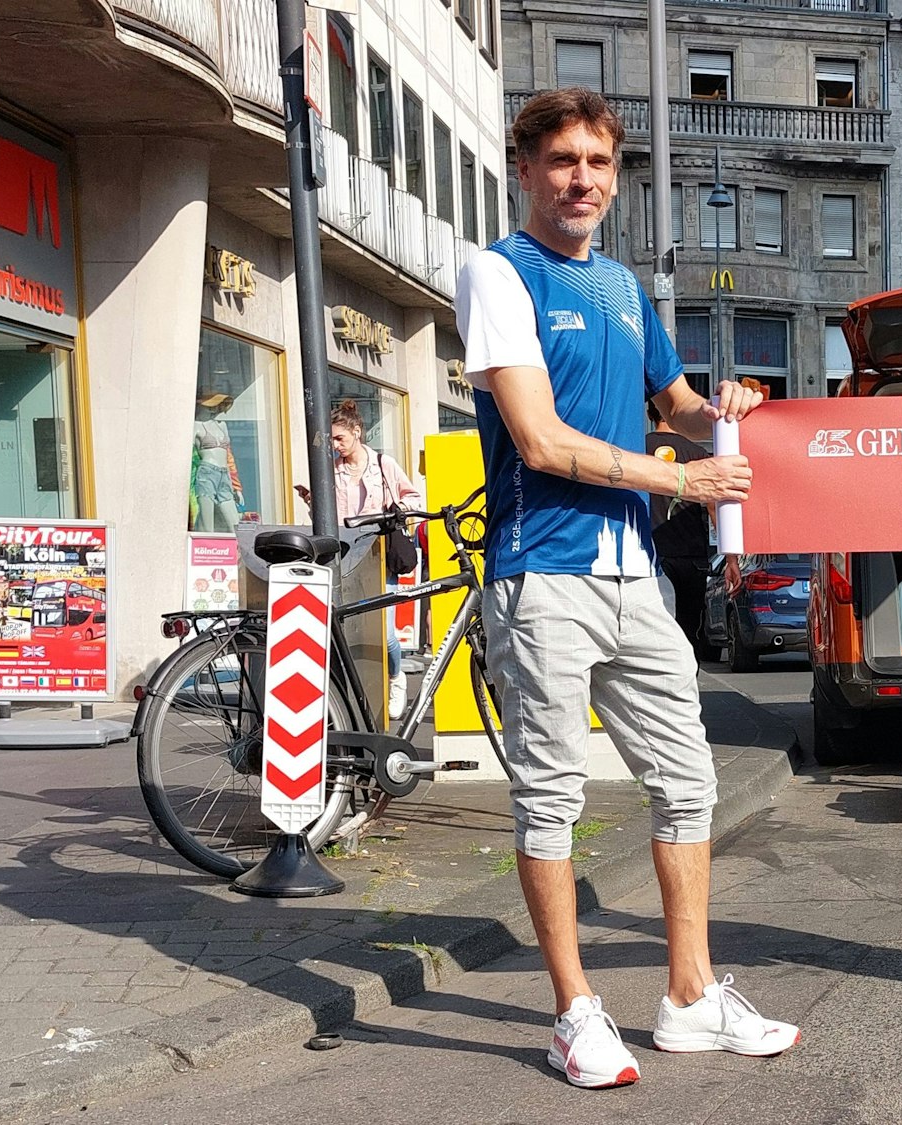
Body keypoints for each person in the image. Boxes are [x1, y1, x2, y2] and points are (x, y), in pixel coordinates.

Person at [453, 86, 796, 1091]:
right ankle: (574, 1011)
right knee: (550, 803)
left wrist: (729, 410)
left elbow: (681, 408)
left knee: (688, 784)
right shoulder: (498, 273)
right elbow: (540, 441)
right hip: (541, 574)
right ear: (525, 169)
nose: (582, 180)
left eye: (598, 164)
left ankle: (689, 998)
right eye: (562, 160)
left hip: (629, 577)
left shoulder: (620, 287)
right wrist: (678, 477)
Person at [295, 397, 423, 721]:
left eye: (340, 438)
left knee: (387, 633)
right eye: (332, 440)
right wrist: (313, 501)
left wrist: (395, 513)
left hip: (379, 555)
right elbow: (328, 517)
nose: (335, 445)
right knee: (348, 631)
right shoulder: (331, 471)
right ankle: (359, 697)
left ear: (357, 431)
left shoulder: (383, 464)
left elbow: (414, 498)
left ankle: (395, 678)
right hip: (346, 557)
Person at [646, 405, 716, 662]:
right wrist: (731, 557)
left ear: (648, 414)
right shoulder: (697, 454)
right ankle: (687, 690)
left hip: (649, 559)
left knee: (651, 632)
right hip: (691, 558)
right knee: (688, 631)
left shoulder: (635, 452)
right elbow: (713, 506)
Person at [190, 393, 244, 532]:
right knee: (207, 525)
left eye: (217, 405)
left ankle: (238, 552)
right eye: (211, 405)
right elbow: (186, 455)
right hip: (207, 472)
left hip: (224, 475)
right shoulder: (196, 425)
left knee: (235, 525)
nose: (214, 409)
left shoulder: (222, 425)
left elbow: (229, 458)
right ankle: (207, 550)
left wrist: (237, 487)